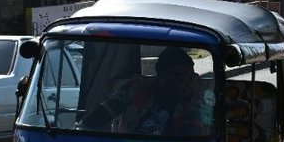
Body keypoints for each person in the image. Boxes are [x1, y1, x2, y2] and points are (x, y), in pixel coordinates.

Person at [81, 46, 211, 135]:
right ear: (161, 73)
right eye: (181, 76)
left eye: (191, 76)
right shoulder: (137, 88)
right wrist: (79, 132)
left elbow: (195, 135)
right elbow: (100, 114)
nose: (188, 81)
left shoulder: (197, 96)